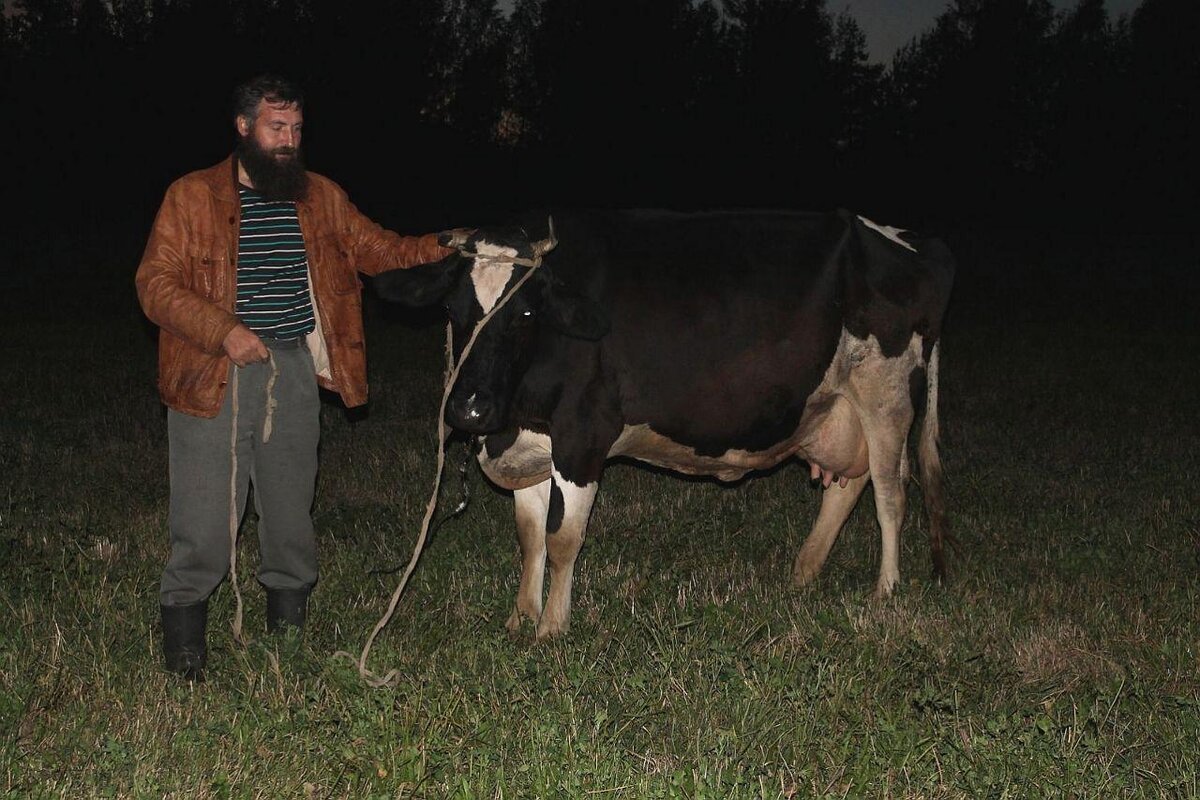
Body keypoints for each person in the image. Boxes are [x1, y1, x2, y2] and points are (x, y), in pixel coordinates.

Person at [136, 74, 456, 681]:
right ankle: (184, 652)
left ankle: (286, 638)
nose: (288, 140)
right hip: (214, 370)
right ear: (243, 128)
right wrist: (221, 329)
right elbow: (154, 284)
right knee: (205, 518)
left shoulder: (320, 196)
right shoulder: (192, 196)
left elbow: (380, 250)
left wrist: (448, 243)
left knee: (289, 512)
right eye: (275, 127)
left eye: (297, 128)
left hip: (294, 367)